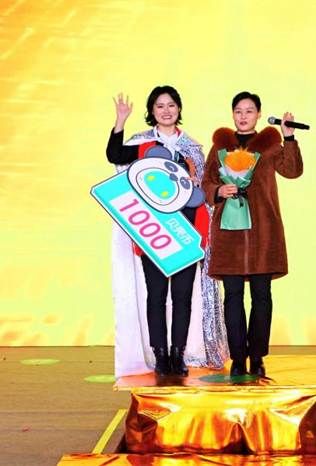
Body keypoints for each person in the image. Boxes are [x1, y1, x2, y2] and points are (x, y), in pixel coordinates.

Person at [106, 86, 228, 377]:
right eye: (159, 106)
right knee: (156, 296)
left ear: (178, 109)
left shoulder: (193, 148)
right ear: (152, 111)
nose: (166, 110)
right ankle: (160, 356)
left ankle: (178, 354)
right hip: (154, 233)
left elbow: (202, 193)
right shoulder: (143, 145)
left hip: (186, 233)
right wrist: (120, 120)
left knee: (183, 297)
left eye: (171, 105)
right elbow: (114, 154)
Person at [201, 91, 304, 377]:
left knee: (262, 296)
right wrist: (219, 191)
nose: (243, 116)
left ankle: (257, 357)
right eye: (238, 111)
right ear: (232, 114)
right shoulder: (219, 147)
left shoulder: (270, 146)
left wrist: (289, 138)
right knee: (232, 297)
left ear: (259, 114)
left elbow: (292, 171)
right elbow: (206, 183)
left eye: (249, 111)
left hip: (263, 233)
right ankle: (237, 358)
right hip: (229, 235)